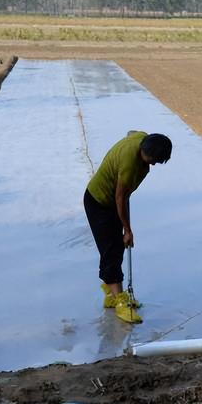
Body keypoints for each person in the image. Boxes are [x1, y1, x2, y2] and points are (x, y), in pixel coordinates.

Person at [84, 131, 172, 324]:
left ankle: (111, 294)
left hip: (111, 202)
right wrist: (127, 230)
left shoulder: (140, 137)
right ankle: (120, 301)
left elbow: (130, 132)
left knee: (115, 250)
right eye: (152, 160)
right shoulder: (130, 165)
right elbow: (120, 197)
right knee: (110, 251)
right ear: (144, 150)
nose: (154, 164)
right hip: (99, 203)